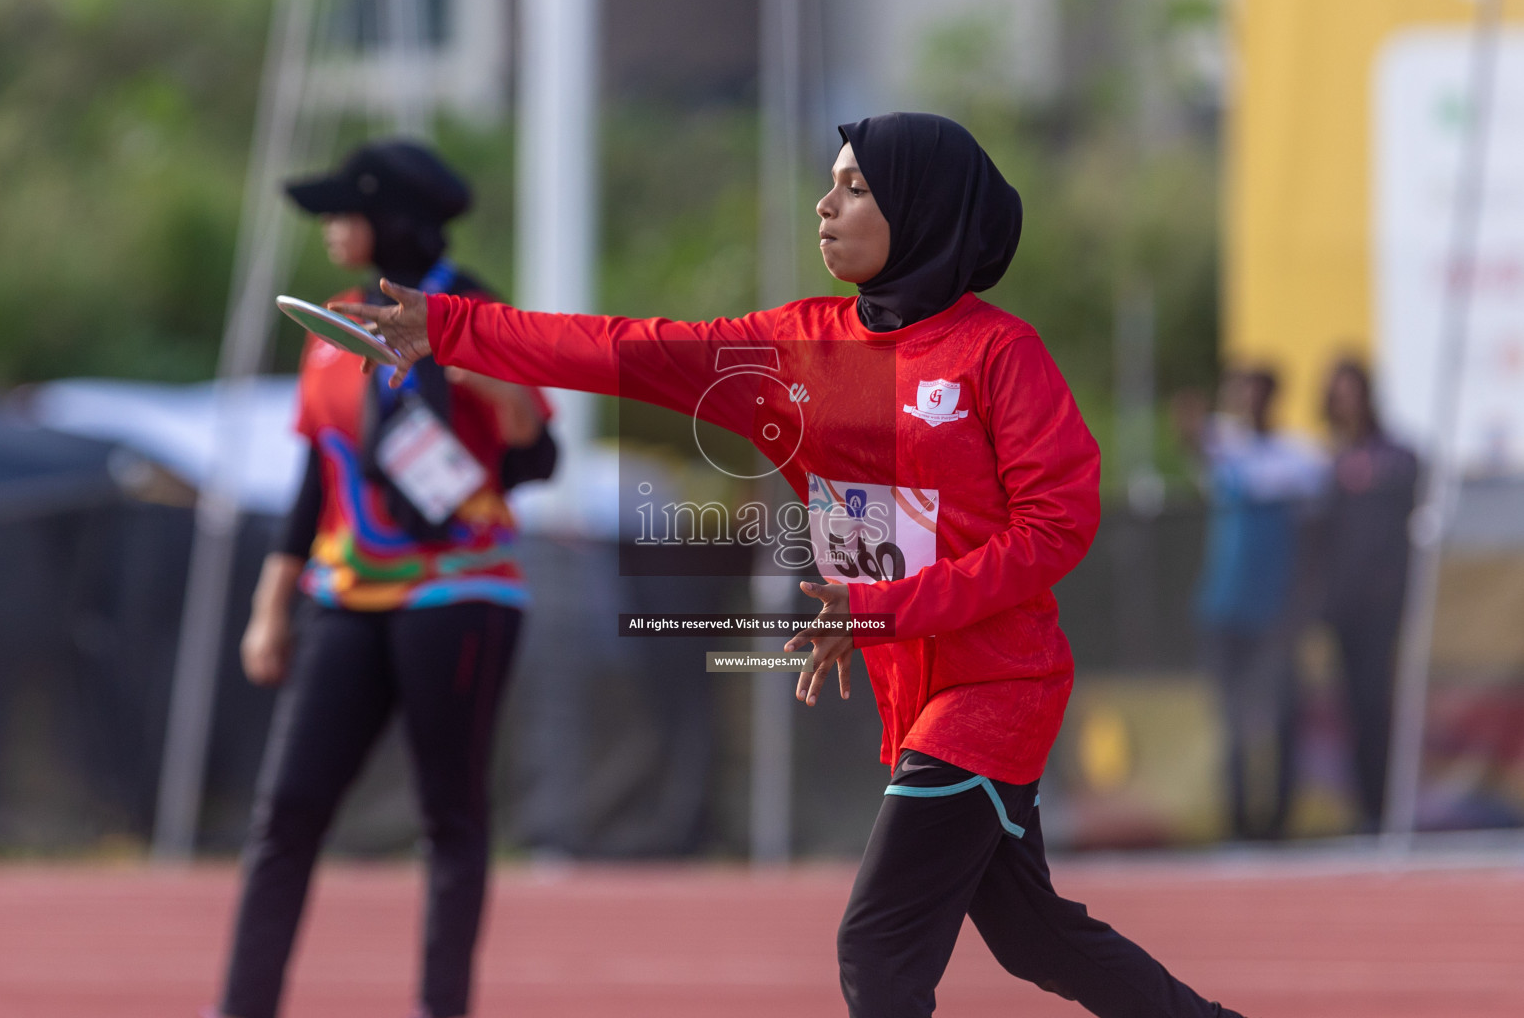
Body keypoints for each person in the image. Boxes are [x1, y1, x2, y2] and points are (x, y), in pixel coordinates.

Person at [340, 112, 1246, 1018]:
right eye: (832, 182)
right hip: (913, 693)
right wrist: (449, 326)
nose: (825, 204)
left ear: (923, 211)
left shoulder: (998, 356)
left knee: (878, 945)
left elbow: (1056, 528)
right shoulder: (791, 347)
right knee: (1033, 934)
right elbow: (620, 349)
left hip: (997, 685)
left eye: (856, 188)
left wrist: (883, 605)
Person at [215, 140, 556, 1018]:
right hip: (344, 597)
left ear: (393, 217)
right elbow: (313, 474)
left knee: (450, 819)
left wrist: (472, 369)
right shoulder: (333, 320)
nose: (329, 226)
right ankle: (241, 1006)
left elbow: (536, 455)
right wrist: (271, 604)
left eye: (343, 210)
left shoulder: (481, 309)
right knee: (286, 811)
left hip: (459, 591)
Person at [1176, 368, 1327, 841]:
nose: (1252, 403)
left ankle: (1278, 820)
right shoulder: (1224, 446)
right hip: (1226, 605)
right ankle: (1238, 820)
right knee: (1231, 718)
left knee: (1281, 714)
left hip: (1277, 609)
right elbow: (1196, 445)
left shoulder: (1300, 458)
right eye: (1244, 394)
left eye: (1260, 393)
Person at [1320, 358, 1417, 831]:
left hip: (1386, 604)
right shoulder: (1328, 462)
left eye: (1352, 391)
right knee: (1355, 705)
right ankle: (1366, 808)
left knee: (1382, 702)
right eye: (1338, 393)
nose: (1346, 402)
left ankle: (1389, 806)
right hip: (1344, 606)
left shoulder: (1397, 456)